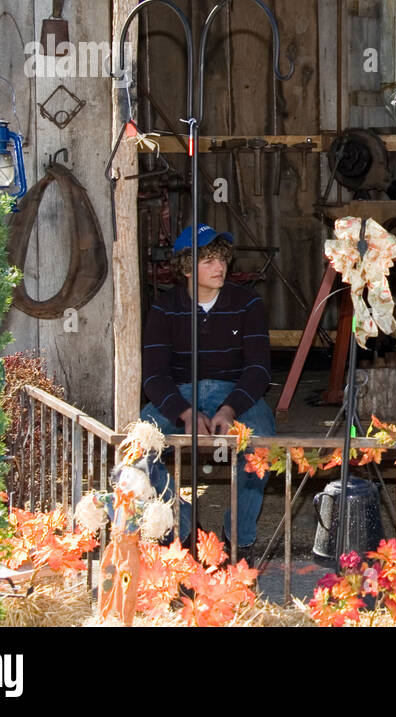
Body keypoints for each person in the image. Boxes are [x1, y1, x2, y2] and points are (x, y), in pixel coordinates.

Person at [140, 223, 275, 551]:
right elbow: (154, 376)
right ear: (186, 268)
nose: (220, 268)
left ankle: (238, 537)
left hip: (235, 391)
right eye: (208, 261)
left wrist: (231, 408)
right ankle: (183, 524)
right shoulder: (163, 308)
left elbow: (258, 370)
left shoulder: (247, 303)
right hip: (181, 392)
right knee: (138, 448)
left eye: (222, 260)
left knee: (263, 445)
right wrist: (184, 412)